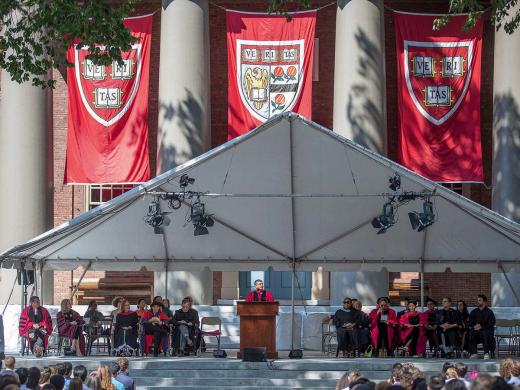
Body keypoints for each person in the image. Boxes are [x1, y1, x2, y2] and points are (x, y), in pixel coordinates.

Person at [468, 294, 495, 359]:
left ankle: (486, 352)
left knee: (485, 333)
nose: (478, 302)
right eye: (478, 300)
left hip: (486, 331)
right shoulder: (474, 312)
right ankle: (474, 353)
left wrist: (481, 327)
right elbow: (470, 323)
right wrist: (474, 327)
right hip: (476, 332)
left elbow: (491, 323)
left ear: (484, 302)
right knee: (472, 333)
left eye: (480, 300)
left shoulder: (489, 312)